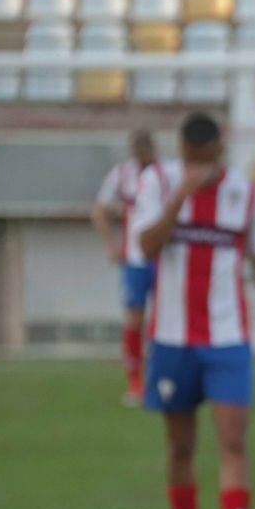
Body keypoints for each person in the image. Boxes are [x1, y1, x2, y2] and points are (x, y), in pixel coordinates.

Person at [132, 112, 255, 509]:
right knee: (180, 447)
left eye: (204, 160)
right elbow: (146, 247)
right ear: (180, 152)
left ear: (220, 151)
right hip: (171, 340)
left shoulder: (247, 195)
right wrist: (181, 196)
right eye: (189, 160)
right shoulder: (158, 182)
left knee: (233, 441)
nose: (197, 168)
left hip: (227, 339)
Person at [92, 128, 158, 405]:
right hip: (135, 259)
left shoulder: (165, 174)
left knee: (164, 320)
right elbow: (99, 211)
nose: (142, 155)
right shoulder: (122, 174)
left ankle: (160, 378)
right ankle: (135, 382)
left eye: (146, 150)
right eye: (138, 150)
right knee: (134, 319)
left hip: (163, 259)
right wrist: (112, 246)